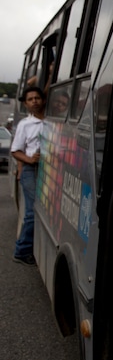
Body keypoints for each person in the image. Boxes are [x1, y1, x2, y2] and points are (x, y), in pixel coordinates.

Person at [11, 86, 46, 265]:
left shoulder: (51, 121)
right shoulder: (25, 124)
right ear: (26, 104)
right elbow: (15, 151)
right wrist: (30, 160)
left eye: (37, 98)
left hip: (48, 170)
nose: (34, 101)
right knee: (32, 213)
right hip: (31, 170)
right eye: (30, 99)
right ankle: (22, 251)